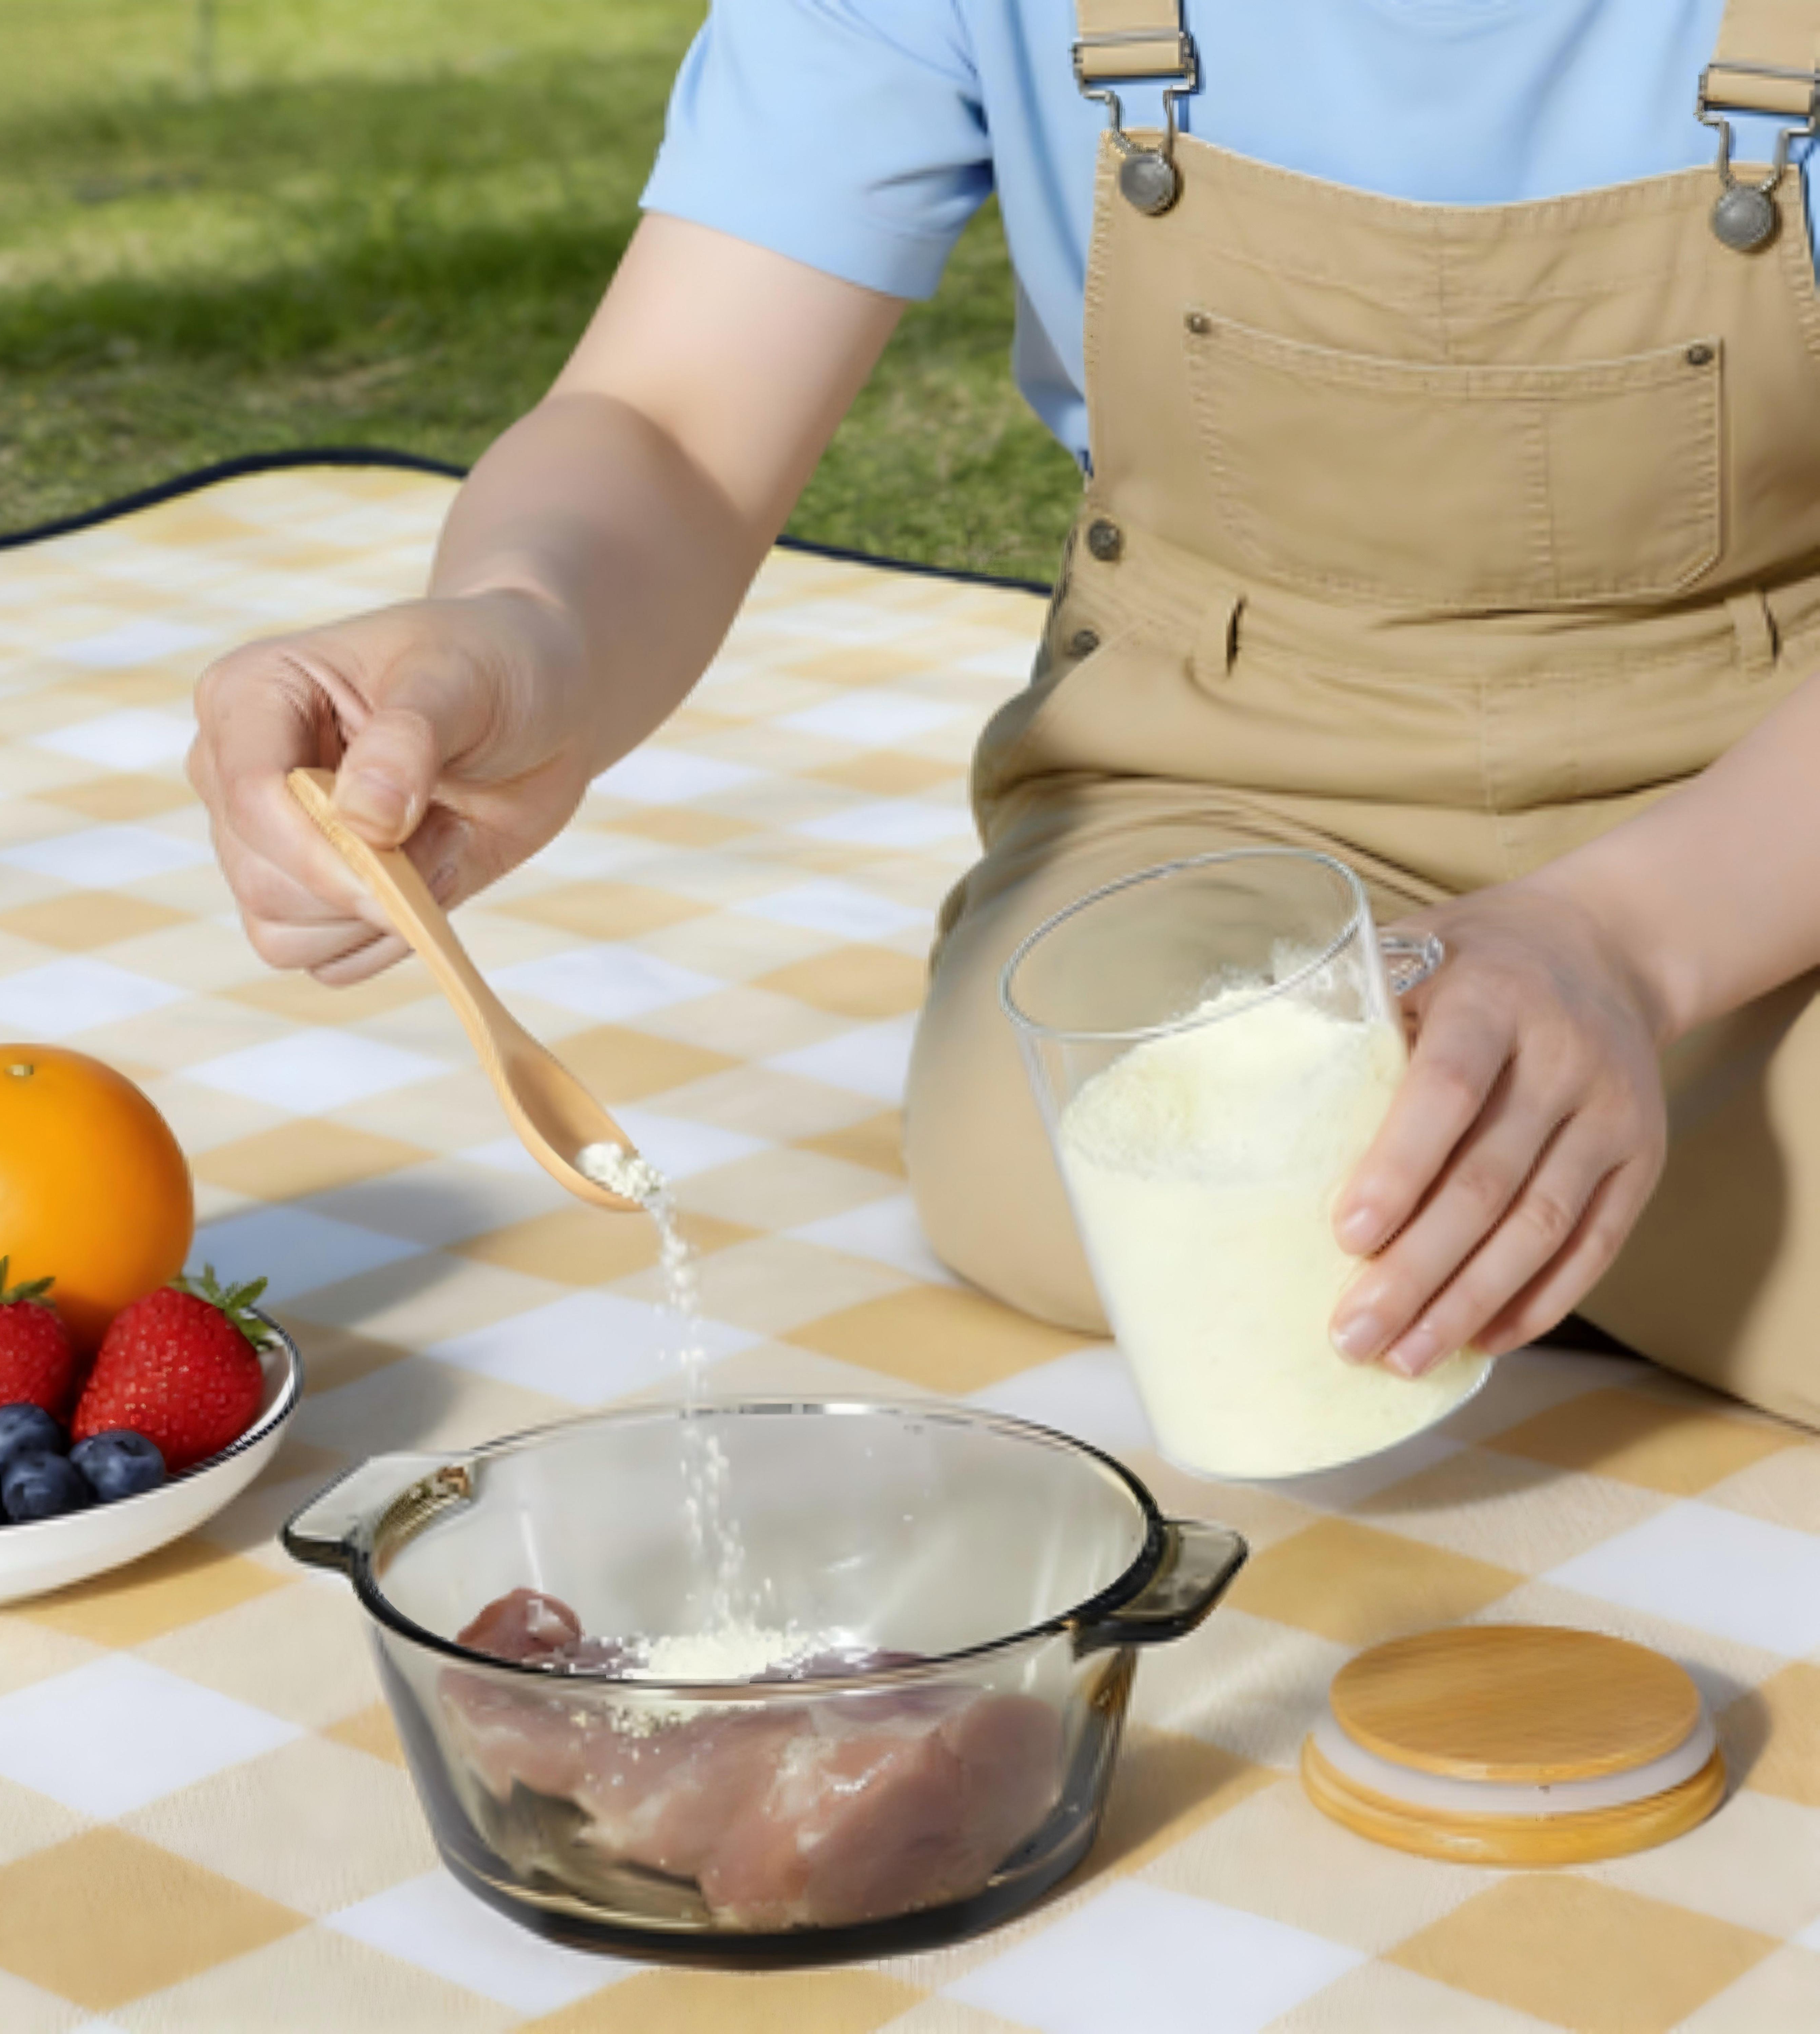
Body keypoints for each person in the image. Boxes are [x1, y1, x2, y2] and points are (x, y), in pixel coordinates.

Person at [190, 0, 1820, 1434]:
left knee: (1276, 1207)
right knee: (1065, 1151)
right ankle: (1632, 1177)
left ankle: (1573, 1137)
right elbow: (671, 422)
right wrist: (520, 631)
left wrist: (1636, 947)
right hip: (1231, 768)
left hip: (1773, 796)